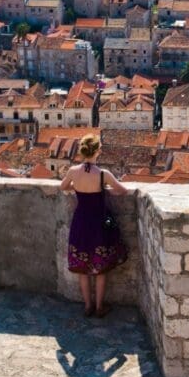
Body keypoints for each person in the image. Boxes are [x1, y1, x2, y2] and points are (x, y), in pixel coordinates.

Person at [60, 134, 129, 318]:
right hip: (99, 223)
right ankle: (99, 307)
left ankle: (87, 306)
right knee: (100, 269)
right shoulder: (103, 174)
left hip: (81, 221)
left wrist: (77, 188)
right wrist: (105, 190)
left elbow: (63, 187)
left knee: (83, 269)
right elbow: (122, 191)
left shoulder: (73, 171)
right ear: (97, 151)